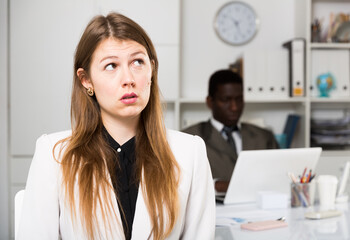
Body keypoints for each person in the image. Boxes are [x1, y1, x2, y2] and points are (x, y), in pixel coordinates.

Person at [17, 12, 215, 240]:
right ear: (86, 80)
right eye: (111, 66)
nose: (128, 78)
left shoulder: (189, 152)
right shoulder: (53, 154)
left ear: (151, 70)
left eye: (138, 62)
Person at [182, 69, 279, 193]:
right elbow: (178, 183)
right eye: (226, 100)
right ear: (210, 102)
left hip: (260, 208)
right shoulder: (188, 138)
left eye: (239, 99)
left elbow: (278, 176)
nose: (234, 107)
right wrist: (216, 185)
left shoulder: (264, 137)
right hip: (214, 210)